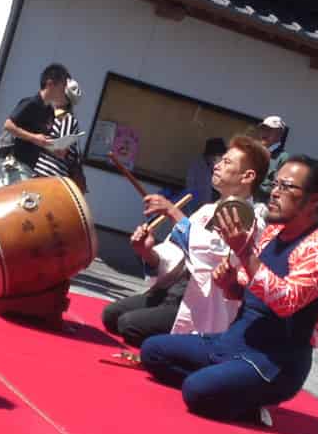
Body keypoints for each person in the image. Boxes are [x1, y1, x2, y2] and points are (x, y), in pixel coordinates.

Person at [140, 156, 318, 424]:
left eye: (286, 187)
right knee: (152, 351)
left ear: (314, 200)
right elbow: (244, 293)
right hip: (234, 341)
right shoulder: (273, 233)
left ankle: (244, 395)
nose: (274, 192)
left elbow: (286, 302)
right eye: (275, 184)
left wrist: (244, 250)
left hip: (274, 361)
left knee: (196, 391)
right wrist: (230, 284)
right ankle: (230, 385)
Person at [103, 135, 270, 346]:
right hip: (175, 291)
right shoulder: (208, 210)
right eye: (220, 160)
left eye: (226, 162)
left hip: (203, 303)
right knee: (111, 315)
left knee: (129, 324)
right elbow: (176, 253)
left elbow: (211, 256)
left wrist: (173, 212)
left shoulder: (251, 220)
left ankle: (178, 346)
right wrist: (148, 252)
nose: (217, 165)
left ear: (247, 176)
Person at [0, 62, 70, 186]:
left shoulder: (50, 112)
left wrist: (56, 149)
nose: (64, 91)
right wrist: (34, 138)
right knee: (16, 199)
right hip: (17, 164)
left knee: (2, 197)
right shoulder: (31, 103)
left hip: (29, 167)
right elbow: (8, 125)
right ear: (50, 83)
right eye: (63, 86)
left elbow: (42, 141)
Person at [33, 78, 83, 181]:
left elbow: (61, 150)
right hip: (36, 170)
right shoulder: (49, 114)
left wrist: (39, 142)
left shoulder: (67, 119)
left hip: (49, 174)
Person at [184, 138, 226, 212]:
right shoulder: (196, 166)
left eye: (220, 155)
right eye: (215, 156)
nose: (217, 158)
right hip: (198, 208)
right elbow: (190, 189)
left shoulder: (224, 167)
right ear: (209, 155)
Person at [256, 116, 289, 202]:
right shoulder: (254, 151)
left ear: (279, 134)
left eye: (269, 130)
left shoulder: (283, 158)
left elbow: (278, 188)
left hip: (261, 206)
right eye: (263, 129)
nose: (264, 133)